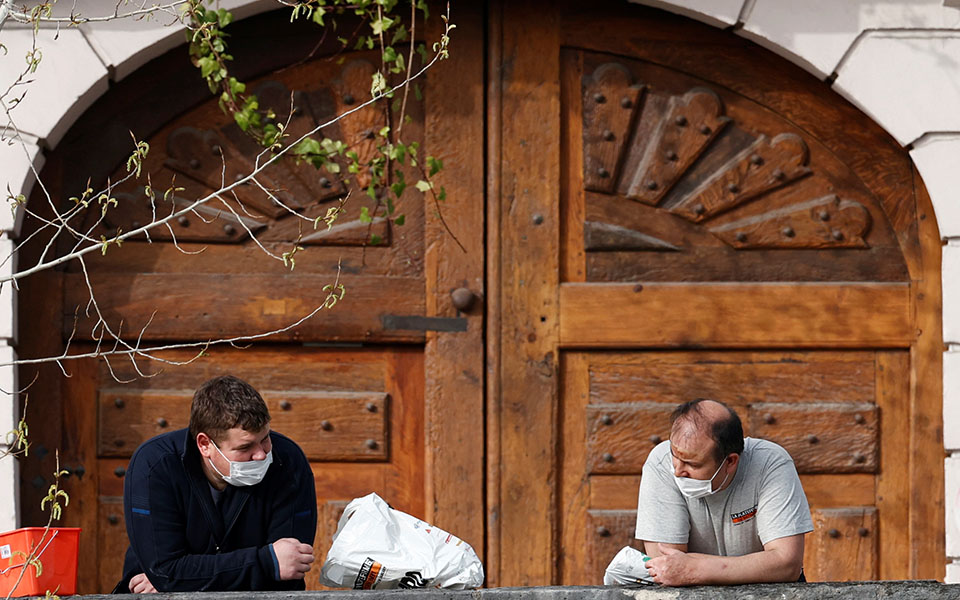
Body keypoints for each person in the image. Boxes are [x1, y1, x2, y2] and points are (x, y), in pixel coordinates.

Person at [115, 375, 318, 593]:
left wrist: (183, 580)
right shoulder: (155, 466)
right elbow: (167, 572)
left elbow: (288, 570)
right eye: (245, 447)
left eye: (265, 438)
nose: (261, 454)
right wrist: (265, 562)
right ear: (204, 445)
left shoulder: (288, 462)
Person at [635, 399, 813, 586]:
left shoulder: (771, 463)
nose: (678, 470)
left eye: (692, 464)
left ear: (730, 462)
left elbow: (787, 564)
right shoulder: (660, 463)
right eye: (674, 454)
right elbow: (667, 567)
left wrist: (696, 569)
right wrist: (751, 567)